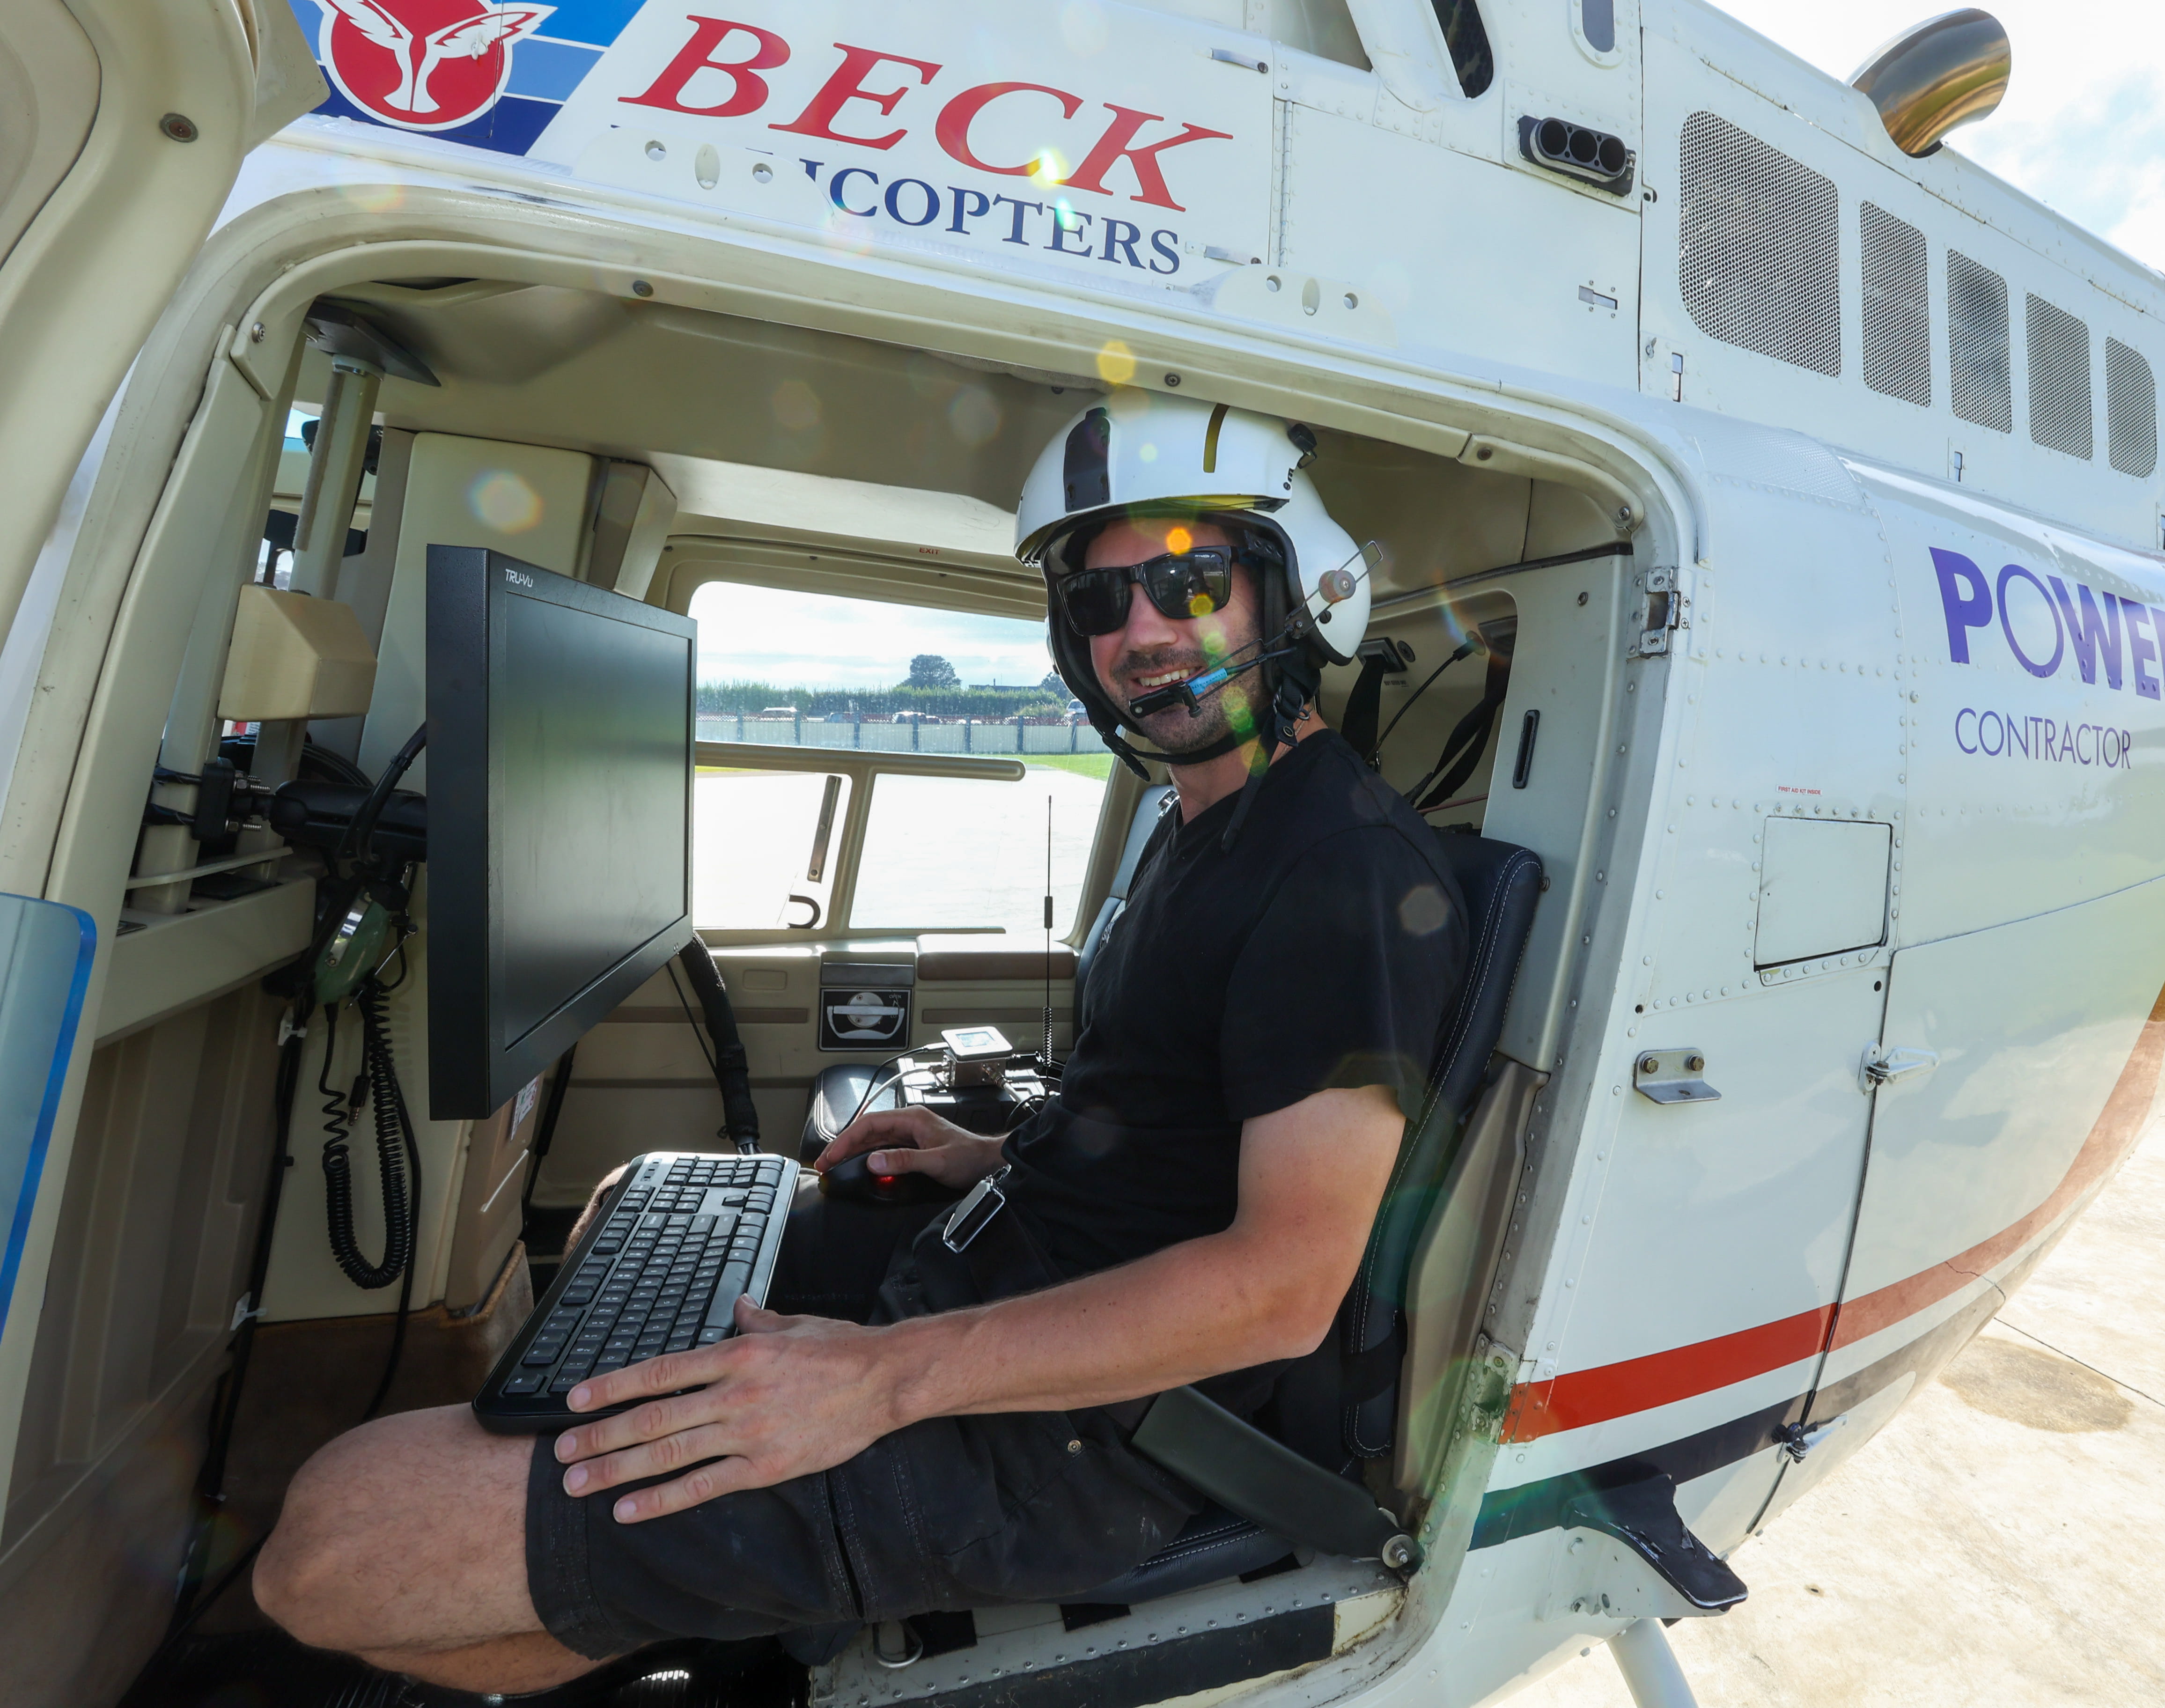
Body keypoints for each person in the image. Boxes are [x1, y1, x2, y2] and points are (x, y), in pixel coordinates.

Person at [254, 398, 1470, 1698]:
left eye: (1189, 580)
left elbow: (1282, 1287)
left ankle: (718, 1610)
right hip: (996, 1271)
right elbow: (1182, 1116)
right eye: (1102, 605)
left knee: (331, 1542)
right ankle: (682, 1572)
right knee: (635, 1198)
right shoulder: (1202, 819)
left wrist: (879, 1383)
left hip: (1097, 1441)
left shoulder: (1341, 873)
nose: (1142, 635)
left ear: (1290, 595)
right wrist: (986, 1151)